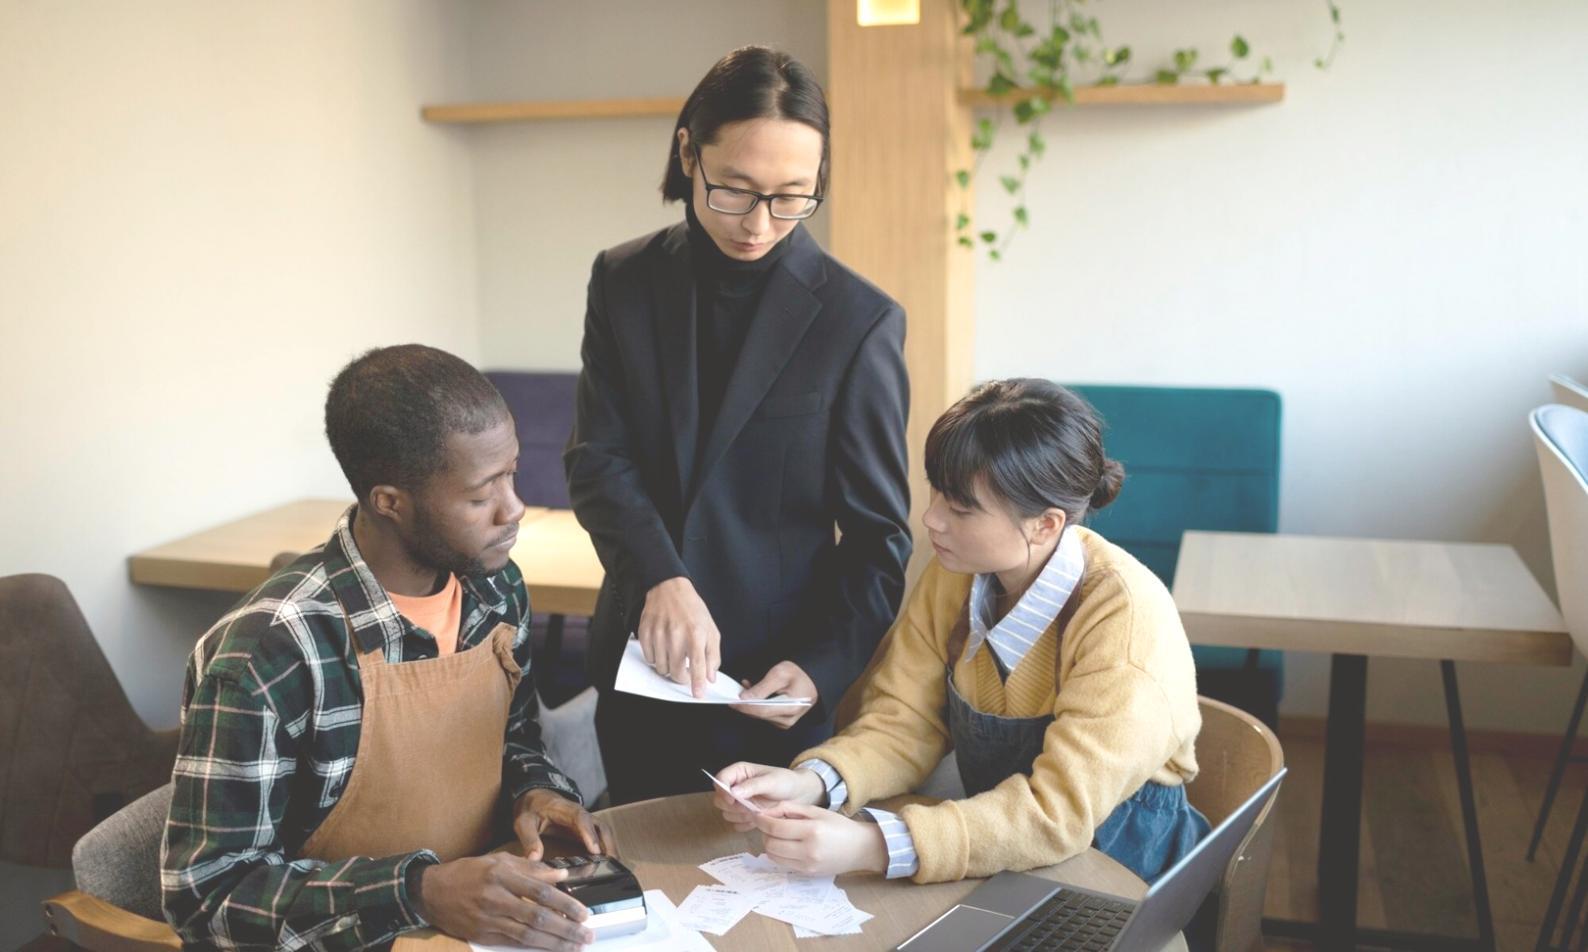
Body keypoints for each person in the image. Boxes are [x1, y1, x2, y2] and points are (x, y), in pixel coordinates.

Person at [163, 345, 612, 951]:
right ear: (390, 502)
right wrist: (418, 890)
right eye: (482, 495)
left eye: (511, 472)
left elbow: (513, 740)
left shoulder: (496, 589)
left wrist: (537, 790)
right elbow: (205, 897)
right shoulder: (268, 656)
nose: (515, 508)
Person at [565, 45, 912, 803]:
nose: (760, 224)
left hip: (770, 689)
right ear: (689, 151)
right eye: (736, 190)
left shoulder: (859, 321)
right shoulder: (622, 281)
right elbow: (598, 460)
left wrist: (821, 668)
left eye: (792, 196)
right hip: (638, 671)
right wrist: (661, 574)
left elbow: (881, 538)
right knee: (648, 886)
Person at [710, 379, 1210, 885]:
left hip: (1121, 866)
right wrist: (812, 782)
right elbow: (903, 720)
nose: (931, 519)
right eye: (937, 493)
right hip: (999, 846)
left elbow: (1055, 815)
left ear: (1045, 524)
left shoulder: (1123, 621)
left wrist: (874, 844)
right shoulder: (956, 573)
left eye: (961, 507)